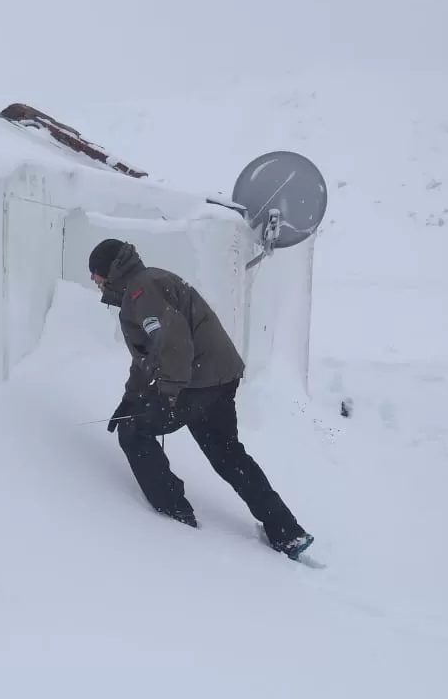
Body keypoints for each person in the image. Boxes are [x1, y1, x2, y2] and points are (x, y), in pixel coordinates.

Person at [87, 238, 314, 560]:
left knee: (134, 431)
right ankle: (287, 531)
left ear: (110, 270)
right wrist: (131, 397)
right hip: (217, 379)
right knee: (229, 456)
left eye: (95, 273)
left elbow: (173, 345)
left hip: (196, 382)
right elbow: (148, 357)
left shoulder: (142, 291)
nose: (93, 280)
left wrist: (164, 397)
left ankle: (173, 516)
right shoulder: (147, 283)